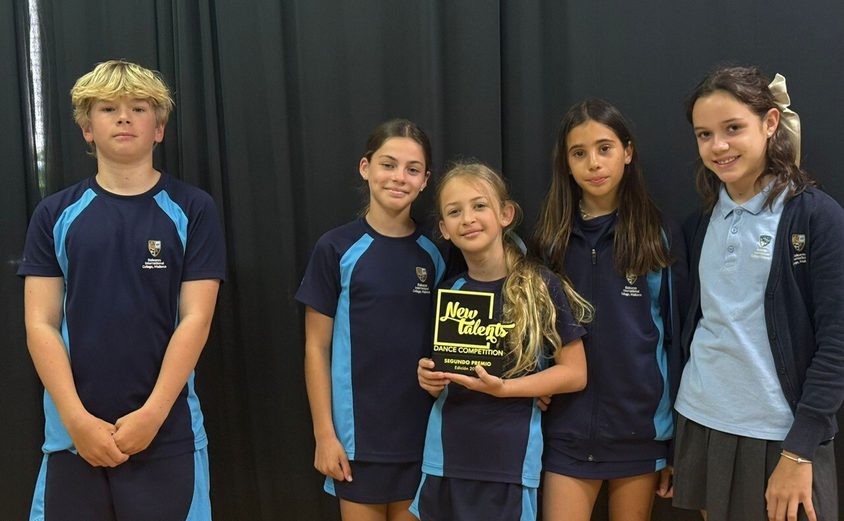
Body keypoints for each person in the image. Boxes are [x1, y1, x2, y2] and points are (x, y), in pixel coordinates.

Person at [18, 60, 226, 520]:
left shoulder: (193, 208)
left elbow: (196, 319)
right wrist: (76, 420)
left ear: (159, 129)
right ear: (86, 129)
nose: (124, 118)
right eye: (108, 108)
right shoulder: (54, 213)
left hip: (167, 433)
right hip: (73, 438)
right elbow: (40, 323)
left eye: (139, 108)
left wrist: (152, 415)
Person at [672, 65, 843, 521]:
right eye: (704, 134)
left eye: (733, 128)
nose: (718, 146)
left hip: (784, 437)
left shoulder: (816, 217)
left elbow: (837, 343)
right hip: (702, 420)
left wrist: (800, 449)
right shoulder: (699, 225)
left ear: (770, 123)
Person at [531, 98, 686, 521]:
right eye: (579, 153)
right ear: (566, 164)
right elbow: (533, 329)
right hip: (565, 430)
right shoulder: (550, 239)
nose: (593, 163)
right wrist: (535, 378)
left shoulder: (659, 235)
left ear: (627, 152)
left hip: (639, 430)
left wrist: (675, 444)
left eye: (605, 148)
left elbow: (677, 340)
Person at [412, 161, 590, 521]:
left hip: (510, 460)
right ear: (444, 229)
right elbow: (443, 370)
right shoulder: (449, 291)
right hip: (445, 456)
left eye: (479, 205)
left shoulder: (539, 286)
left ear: (505, 214)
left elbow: (575, 373)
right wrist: (428, 378)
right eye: (454, 211)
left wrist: (506, 389)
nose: (468, 219)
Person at [295, 119, 446, 521]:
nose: (399, 177)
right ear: (366, 168)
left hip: (424, 439)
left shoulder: (439, 250)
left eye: (412, 169)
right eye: (388, 164)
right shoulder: (336, 247)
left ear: (425, 180)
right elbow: (316, 347)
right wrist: (324, 434)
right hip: (357, 442)